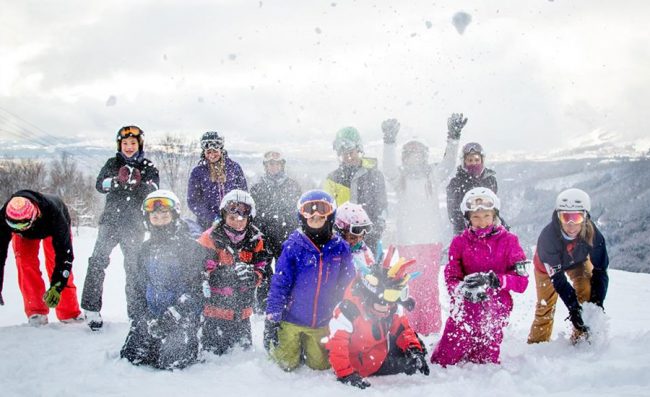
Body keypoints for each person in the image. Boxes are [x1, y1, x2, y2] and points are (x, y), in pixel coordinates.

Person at [380, 114, 464, 335]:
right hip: (407, 242)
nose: (414, 158)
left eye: (418, 154)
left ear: (424, 157)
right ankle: (410, 328)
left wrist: (453, 138)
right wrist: (389, 142)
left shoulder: (432, 177)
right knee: (410, 287)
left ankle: (432, 328)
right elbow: (388, 168)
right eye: (410, 154)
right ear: (405, 158)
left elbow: (447, 164)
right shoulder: (401, 180)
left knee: (429, 287)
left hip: (430, 241)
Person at [431, 187, 528, 366]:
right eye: (476, 217)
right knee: (443, 361)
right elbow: (451, 277)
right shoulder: (459, 243)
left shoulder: (509, 241)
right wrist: (462, 290)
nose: (482, 222)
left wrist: (497, 280)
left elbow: (522, 282)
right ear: (468, 218)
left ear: (495, 215)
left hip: (495, 310)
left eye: (486, 216)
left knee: (485, 363)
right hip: (464, 309)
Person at [264, 190, 355, 372]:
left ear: (330, 214)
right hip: (292, 318)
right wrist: (272, 317)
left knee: (319, 366)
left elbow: (348, 282)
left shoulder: (340, 248)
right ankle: (292, 345)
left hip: (322, 319)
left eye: (321, 209)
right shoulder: (293, 246)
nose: (315, 215)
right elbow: (280, 283)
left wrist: (348, 310)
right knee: (286, 365)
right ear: (301, 215)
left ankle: (308, 346)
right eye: (309, 210)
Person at [81, 125, 159, 330]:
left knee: (134, 267)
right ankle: (91, 309)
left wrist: (138, 184)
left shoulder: (148, 166)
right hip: (110, 222)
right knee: (98, 261)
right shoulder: (112, 163)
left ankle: (136, 312)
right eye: (125, 143)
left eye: (133, 143)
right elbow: (100, 184)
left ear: (139, 144)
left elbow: (154, 191)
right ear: (120, 145)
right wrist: (116, 182)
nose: (129, 147)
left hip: (134, 224)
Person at [120, 190, 206, 370]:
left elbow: (197, 291)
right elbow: (137, 288)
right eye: (155, 216)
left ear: (174, 215)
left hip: (181, 318)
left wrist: (173, 315)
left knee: (169, 363)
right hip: (151, 316)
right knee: (131, 358)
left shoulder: (190, 248)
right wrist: (144, 317)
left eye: (164, 215)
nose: (159, 220)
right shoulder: (144, 249)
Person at [325, 248, 429, 389]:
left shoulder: (390, 307)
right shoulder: (349, 310)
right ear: (369, 296)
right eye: (383, 303)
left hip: (379, 349)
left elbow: (402, 329)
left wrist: (414, 349)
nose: (387, 307)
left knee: (416, 348)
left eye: (392, 299)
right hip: (363, 363)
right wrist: (345, 374)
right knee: (407, 365)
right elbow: (337, 344)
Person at [527, 188, 609, 344]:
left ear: (585, 218)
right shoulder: (548, 237)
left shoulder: (593, 235)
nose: (571, 225)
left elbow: (600, 270)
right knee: (546, 305)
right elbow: (558, 279)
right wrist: (573, 307)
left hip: (577, 261)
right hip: (546, 268)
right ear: (559, 217)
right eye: (566, 217)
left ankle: (581, 338)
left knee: (586, 292)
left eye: (577, 218)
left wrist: (598, 303)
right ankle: (537, 345)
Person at [198, 189, 270, 355]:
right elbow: (201, 270)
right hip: (214, 313)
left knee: (241, 358)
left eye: (242, 219)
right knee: (214, 361)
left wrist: (254, 276)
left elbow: (262, 265)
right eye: (232, 218)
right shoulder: (210, 238)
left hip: (242, 313)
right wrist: (225, 274)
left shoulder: (256, 239)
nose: (237, 223)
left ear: (249, 218)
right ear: (223, 216)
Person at [0, 190, 82, 325]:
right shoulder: (5, 217)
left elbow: (65, 256)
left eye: (22, 226)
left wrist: (57, 286)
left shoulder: (55, 215)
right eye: (14, 226)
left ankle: (69, 313)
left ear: (33, 217)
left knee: (54, 263)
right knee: (25, 263)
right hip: (26, 237)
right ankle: (36, 311)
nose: (19, 229)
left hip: (50, 228)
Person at [249, 150, 302, 313]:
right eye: (270, 164)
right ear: (265, 166)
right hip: (263, 236)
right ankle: (264, 304)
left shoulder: (293, 186)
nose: (274, 166)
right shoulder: (257, 188)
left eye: (277, 163)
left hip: (286, 234)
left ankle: (285, 300)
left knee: (285, 269)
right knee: (263, 270)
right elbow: (253, 213)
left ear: (282, 165)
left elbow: (299, 211)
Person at [324, 127, 387, 252]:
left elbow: (381, 204)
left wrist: (375, 228)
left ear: (358, 149)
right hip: (343, 237)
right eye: (343, 154)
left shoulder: (374, 174)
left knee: (370, 270)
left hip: (369, 234)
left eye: (351, 152)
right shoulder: (333, 179)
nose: (348, 157)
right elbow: (328, 209)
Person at [187, 131, 248, 230]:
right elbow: (193, 201)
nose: (211, 155)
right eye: (208, 152)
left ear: (221, 150)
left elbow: (243, 195)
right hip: (207, 225)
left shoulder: (233, 168)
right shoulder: (198, 172)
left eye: (215, 151)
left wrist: (234, 214)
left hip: (234, 222)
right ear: (204, 152)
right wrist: (212, 217)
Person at [447, 142, 498, 235]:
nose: (474, 163)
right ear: (464, 162)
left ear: (482, 161)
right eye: (470, 160)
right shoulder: (456, 183)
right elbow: (453, 213)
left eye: (477, 160)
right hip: (464, 229)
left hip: (487, 227)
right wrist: (465, 230)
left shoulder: (490, 180)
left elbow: (494, 207)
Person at [333, 201, 374, 271]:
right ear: (340, 234)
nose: (357, 241)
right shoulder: (334, 255)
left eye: (361, 237)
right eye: (352, 238)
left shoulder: (364, 251)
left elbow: (371, 270)